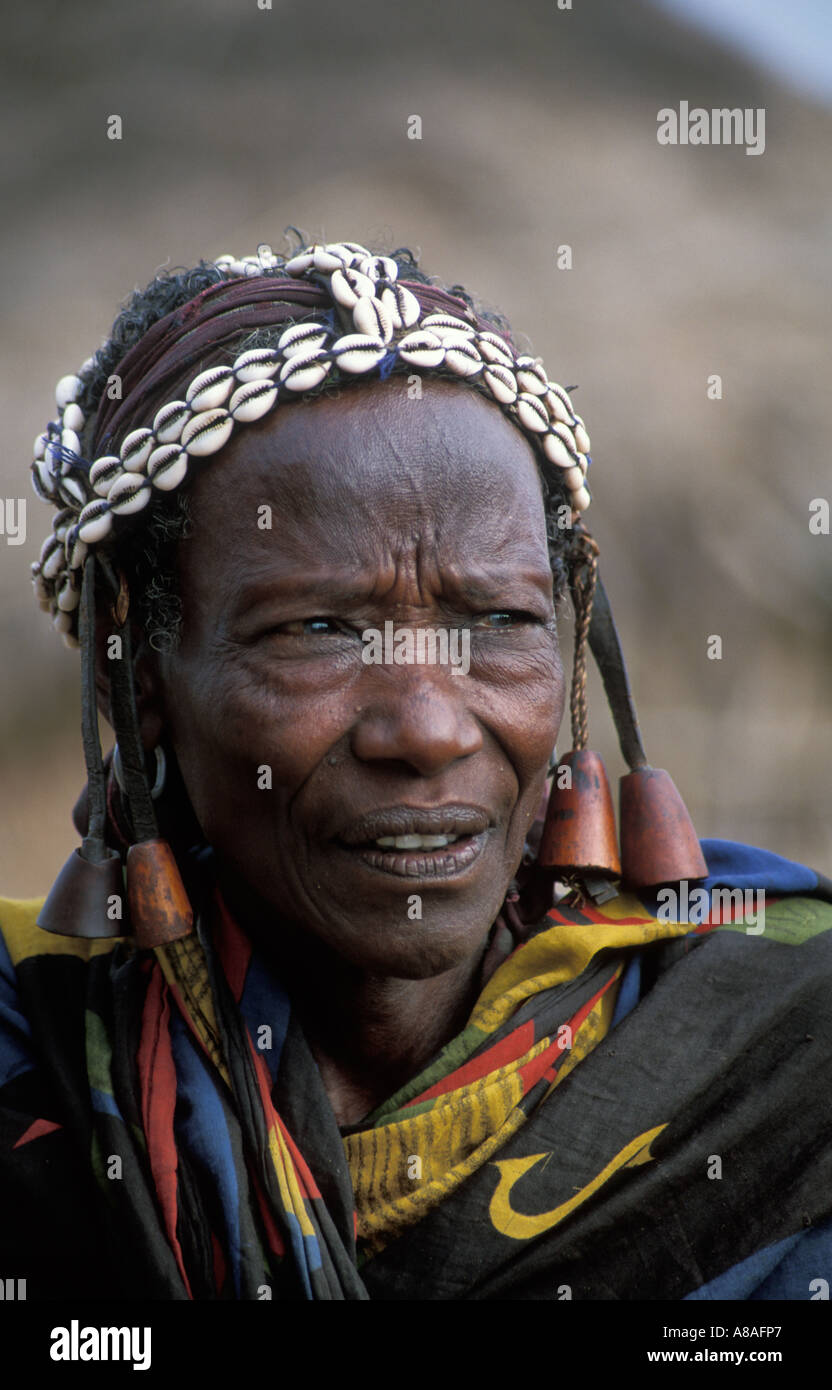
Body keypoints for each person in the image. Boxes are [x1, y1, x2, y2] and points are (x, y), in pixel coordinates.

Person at [2, 236, 831, 1301]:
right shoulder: (31, 1068)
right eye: (317, 627)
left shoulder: (783, 1061)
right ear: (142, 670)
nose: (429, 728)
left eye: (497, 619)